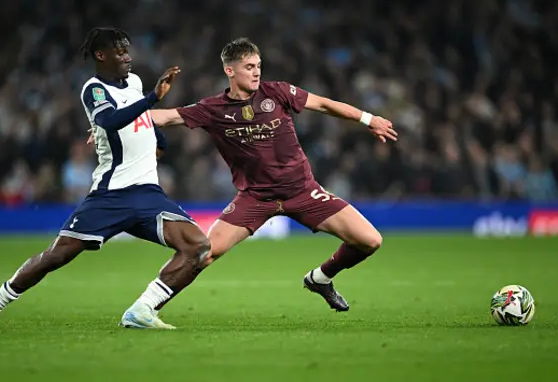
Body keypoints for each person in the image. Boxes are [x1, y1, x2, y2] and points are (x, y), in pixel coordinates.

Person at [0, 27, 210, 331]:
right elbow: (110, 120)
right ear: (101, 55)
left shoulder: (135, 83)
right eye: (120, 51)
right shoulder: (94, 89)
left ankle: (141, 310)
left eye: (128, 50)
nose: (128, 56)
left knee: (198, 247)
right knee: (55, 256)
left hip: (147, 195)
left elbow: (141, 123)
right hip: (110, 195)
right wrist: (153, 98)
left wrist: (157, 140)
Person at [148, 37, 398, 312]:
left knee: (370, 240)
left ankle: (321, 278)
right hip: (256, 197)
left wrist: (368, 119)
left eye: (258, 65)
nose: (256, 72)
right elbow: (165, 117)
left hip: (302, 191)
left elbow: (324, 104)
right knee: (203, 253)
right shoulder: (213, 109)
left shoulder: (277, 92)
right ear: (230, 71)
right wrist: (113, 123)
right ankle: (146, 307)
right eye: (249, 66)